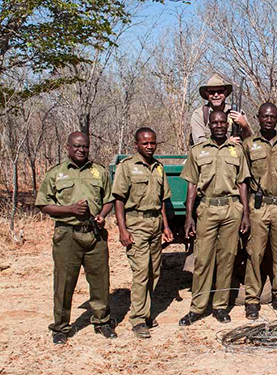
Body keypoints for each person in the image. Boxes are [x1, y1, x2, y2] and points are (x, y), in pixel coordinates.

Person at [35, 131, 116, 345]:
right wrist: (69, 209)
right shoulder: (57, 174)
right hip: (67, 234)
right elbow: (43, 203)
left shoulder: (99, 171)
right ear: (68, 147)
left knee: (100, 280)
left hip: (94, 233)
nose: (81, 150)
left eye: (85, 146)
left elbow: (109, 199)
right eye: (77, 146)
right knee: (64, 281)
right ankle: (61, 327)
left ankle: (102, 322)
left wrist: (102, 215)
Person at [179, 110, 250, 326]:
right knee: (202, 260)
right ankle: (197, 308)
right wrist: (189, 216)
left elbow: (242, 183)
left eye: (222, 122)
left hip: (231, 209)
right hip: (207, 209)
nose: (219, 125)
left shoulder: (237, 150)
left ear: (227, 125)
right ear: (209, 125)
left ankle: (220, 306)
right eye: (215, 122)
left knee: (226, 259)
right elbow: (191, 184)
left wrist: (245, 213)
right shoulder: (198, 151)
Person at [112, 127, 174, 339]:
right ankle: (138, 319)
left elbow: (162, 201)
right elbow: (119, 200)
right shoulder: (127, 167)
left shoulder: (158, 167)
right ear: (136, 145)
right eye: (145, 143)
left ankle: (146, 312)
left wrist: (165, 226)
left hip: (155, 223)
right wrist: (122, 229)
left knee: (154, 271)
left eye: (153, 143)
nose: (149, 146)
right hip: (135, 223)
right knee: (141, 272)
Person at [242, 102, 277, 320]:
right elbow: (243, 181)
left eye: (272, 117)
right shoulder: (249, 145)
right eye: (265, 116)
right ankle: (252, 300)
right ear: (258, 118)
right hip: (259, 206)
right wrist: (245, 211)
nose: (268, 120)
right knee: (255, 253)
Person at [190, 74, 252, 145]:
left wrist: (245, 125)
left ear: (225, 92)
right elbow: (199, 143)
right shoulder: (199, 114)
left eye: (220, 91)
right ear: (207, 94)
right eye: (212, 92)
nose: (216, 95)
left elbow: (250, 142)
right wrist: (227, 143)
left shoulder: (237, 112)